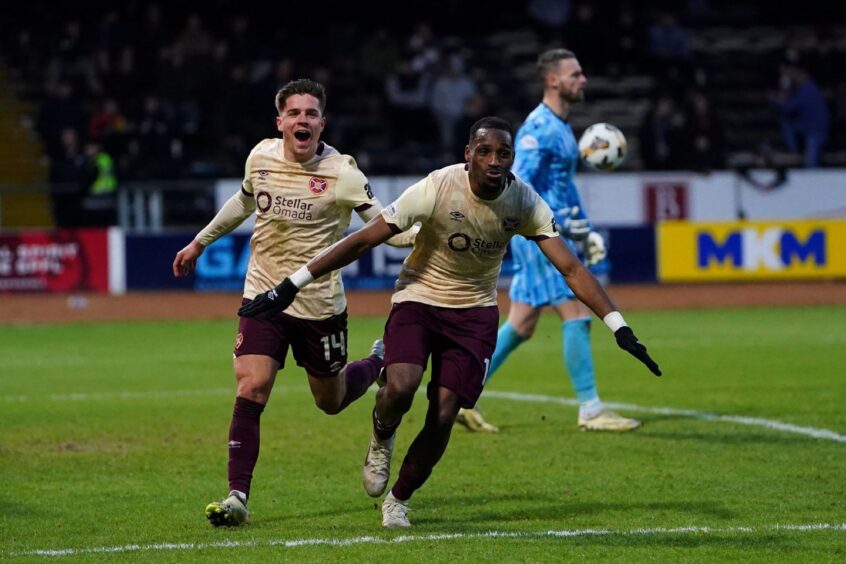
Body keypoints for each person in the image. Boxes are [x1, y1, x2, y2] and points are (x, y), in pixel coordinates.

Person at [238, 116, 662, 528]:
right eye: (485, 152)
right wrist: (294, 283)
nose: (495, 160)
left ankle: (398, 500)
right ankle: (381, 439)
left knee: (443, 414)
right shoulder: (438, 186)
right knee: (401, 385)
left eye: (503, 153)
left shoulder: (524, 201)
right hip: (418, 300)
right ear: (468, 155)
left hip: (474, 314)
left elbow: (570, 268)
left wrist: (618, 326)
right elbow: (366, 237)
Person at [172, 78, 415, 528]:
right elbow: (242, 202)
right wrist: (198, 243)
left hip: (319, 306)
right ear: (280, 121)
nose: (302, 121)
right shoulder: (259, 157)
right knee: (251, 386)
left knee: (331, 400)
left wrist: (425, 237)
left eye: (311, 114)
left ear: (323, 123)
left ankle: (375, 364)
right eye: (294, 113)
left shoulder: (343, 173)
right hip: (263, 296)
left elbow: (386, 226)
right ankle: (237, 497)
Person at [456, 49, 642, 434]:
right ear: (554, 80)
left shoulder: (557, 126)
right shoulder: (540, 129)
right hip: (539, 238)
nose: (583, 79)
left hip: (544, 234)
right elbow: (518, 181)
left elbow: (562, 188)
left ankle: (461, 396)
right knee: (576, 312)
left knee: (521, 324)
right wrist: (564, 229)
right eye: (576, 74)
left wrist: (584, 229)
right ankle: (591, 409)